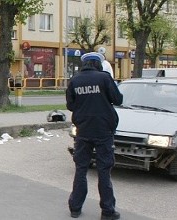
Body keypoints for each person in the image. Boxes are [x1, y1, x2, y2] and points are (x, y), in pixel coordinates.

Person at [65, 52, 123, 220]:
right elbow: (118, 99)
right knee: (104, 170)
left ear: (85, 64)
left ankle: (75, 208)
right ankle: (107, 211)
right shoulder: (104, 78)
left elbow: (70, 105)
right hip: (103, 131)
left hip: (83, 130)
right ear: (98, 64)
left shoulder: (75, 80)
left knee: (81, 169)